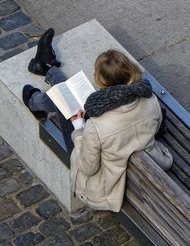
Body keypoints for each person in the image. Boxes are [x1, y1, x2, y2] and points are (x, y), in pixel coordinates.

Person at [23, 29, 173, 212]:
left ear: (102, 81)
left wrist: (79, 129)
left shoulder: (97, 124)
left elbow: (87, 167)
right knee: (76, 102)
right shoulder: (149, 99)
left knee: (68, 108)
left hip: (101, 188)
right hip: (125, 159)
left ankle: (35, 99)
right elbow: (154, 127)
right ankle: (46, 68)